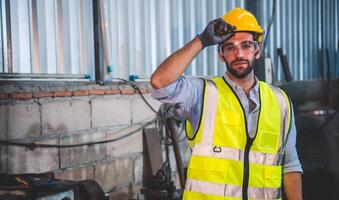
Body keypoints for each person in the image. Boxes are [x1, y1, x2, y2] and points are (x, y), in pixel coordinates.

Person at [150, 7, 302, 200]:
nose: (239, 54)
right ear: (221, 55)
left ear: (257, 50)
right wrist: (202, 40)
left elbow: (290, 165)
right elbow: (160, 82)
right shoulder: (203, 94)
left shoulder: (280, 101)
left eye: (246, 45)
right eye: (230, 47)